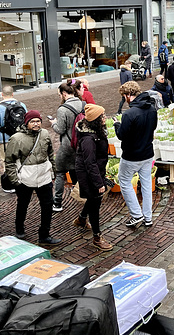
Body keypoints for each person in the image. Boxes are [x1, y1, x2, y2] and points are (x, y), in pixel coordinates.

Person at [5, 110, 61, 245]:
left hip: (43, 176)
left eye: (38, 121)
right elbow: (9, 161)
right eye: (32, 121)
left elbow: (50, 153)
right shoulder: (17, 138)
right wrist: (15, 180)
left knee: (47, 206)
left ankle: (44, 235)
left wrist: (53, 171)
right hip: (26, 178)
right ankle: (19, 228)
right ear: (27, 123)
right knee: (23, 204)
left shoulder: (45, 134)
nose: (36, 124)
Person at [114, 81, 158, 228]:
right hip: (147, 153)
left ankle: (136, 214)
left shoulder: (129, 114)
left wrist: (117, 125)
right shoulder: (152, 109)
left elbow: (121, 135)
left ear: (128, 95)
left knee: (124, 181)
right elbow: (154, 128)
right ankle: (148, 217)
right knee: (146, 184)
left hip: (132, 155)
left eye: (124, 96)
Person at [73, 104, 114, 251]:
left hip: (95, 170)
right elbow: (89, 163)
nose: (105, 118)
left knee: (93, 199)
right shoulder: (88, 139)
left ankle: (82, 219)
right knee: (95, 202)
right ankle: (97, 237)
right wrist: (98, 183)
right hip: (88, 173)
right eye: (102, 116)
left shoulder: (97, 131)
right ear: (95, 120)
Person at [50, 83, 85, 212]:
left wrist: (53, 123)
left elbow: (60, 129)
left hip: (67, 146)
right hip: (80, 144)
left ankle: (57, 203)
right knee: (76, 171)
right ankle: (80, 196)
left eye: (60, 94)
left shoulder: (62, 109)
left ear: (64, 94)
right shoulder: (83, 104)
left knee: (60, 173)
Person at [0, 85, 27, 176]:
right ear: (12, 94)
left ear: (2, 94)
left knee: (6, 161)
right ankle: (22, 179)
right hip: (20, 137)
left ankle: (10, 183)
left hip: (4, 139)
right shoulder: (21, 105)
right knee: (21, 159)